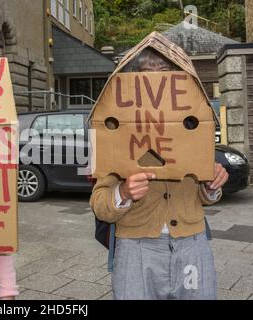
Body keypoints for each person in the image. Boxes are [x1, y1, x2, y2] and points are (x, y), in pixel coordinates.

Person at [90, 47, 229, 300]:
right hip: (136, 248)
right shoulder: (116, 133)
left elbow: (205, 191)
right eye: (146, 72)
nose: (156, 80)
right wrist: (123, 192)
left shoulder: (192, 125)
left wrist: (212, 185)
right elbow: (99, 204)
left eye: (164, 71)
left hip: (191, 244)